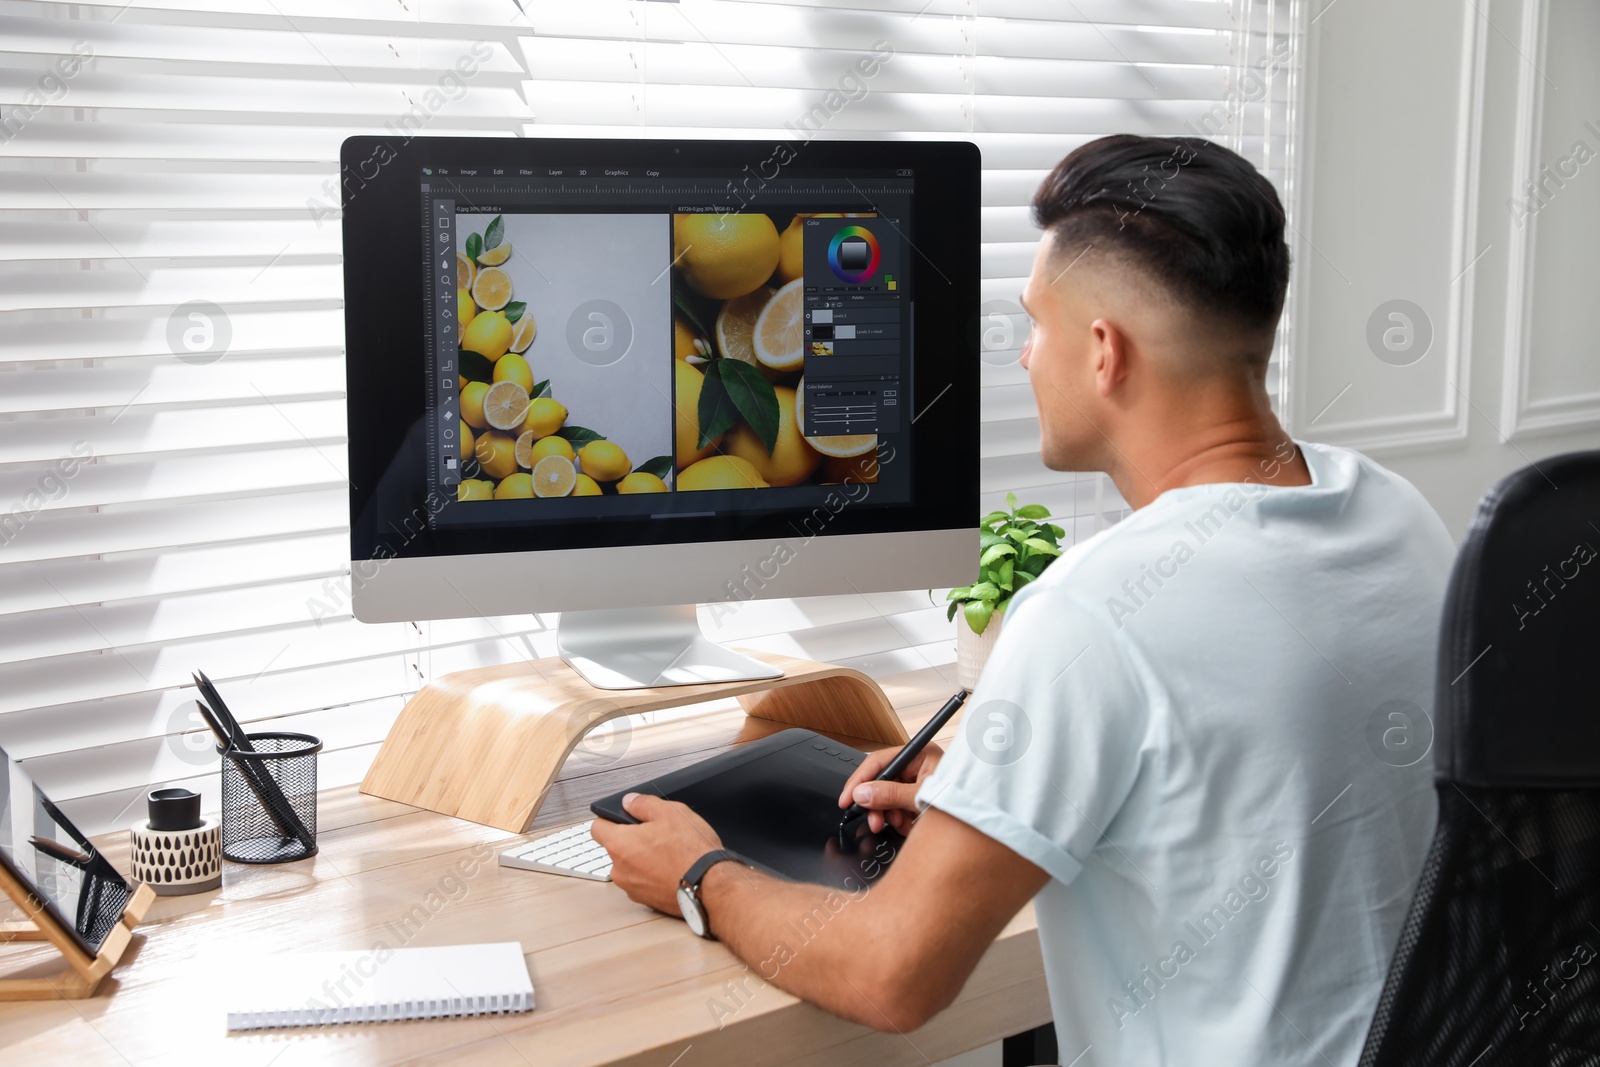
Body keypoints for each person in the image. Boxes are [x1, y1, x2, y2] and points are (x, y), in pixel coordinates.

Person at [592, 134, 1456, 1065]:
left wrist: (700, 874)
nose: (1024, 360)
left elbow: (891, 975)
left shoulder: (1095, 612)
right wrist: (993, 800)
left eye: (1034, 327)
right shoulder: (1395, 514)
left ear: (1102, 353)